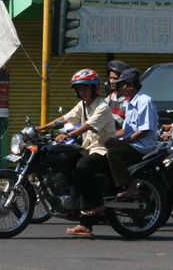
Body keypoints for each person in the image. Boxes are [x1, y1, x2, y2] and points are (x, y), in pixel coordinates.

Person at [37, 69, 116, 237]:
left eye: (86, 88)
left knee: (83, 165)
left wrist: (69, 134)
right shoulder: (83, 105)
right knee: (70, 166)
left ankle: (97, 205)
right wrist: (40, 128)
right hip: (89, 149)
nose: (82, 92)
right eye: (79, 89)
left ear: (95, 88)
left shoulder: (102, 106)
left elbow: (88, 125)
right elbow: (65, 119)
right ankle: (84, 222)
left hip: (104, 150)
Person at [104, 68, 158, 196]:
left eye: (122, 85)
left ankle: (131, 187)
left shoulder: (145, 101)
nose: (120, 88)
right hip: (131, 143)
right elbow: (127, 129)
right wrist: (109, 137)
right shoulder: (129, 103)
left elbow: (143, 130)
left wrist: (120, 144)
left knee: (113, 153)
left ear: (131, 85)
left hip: (142, 145)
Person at [103, 60, 130, 128]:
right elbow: (100, 109)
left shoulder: (128, 98)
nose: (111, 81)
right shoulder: (112, 95)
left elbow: (119, 120)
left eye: (115, 78)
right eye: (110, 78)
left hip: (121, 136)